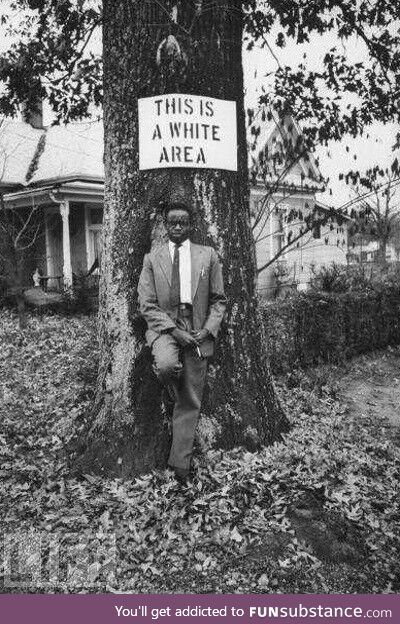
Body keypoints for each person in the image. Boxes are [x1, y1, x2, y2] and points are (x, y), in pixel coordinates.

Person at [137, 201, 227, 482]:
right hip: (165, 328)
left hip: (197, 327)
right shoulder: (152, 259)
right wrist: (175, 332)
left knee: (190, 399)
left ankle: (180, 466)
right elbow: (147, 305)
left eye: (183, 222)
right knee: (165, 367)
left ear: (191, 225)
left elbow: (219, 300)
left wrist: (208, 329)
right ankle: (170, 382)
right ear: (164, 225)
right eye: (172, 222)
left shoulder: (207, 256)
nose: (178, 227)